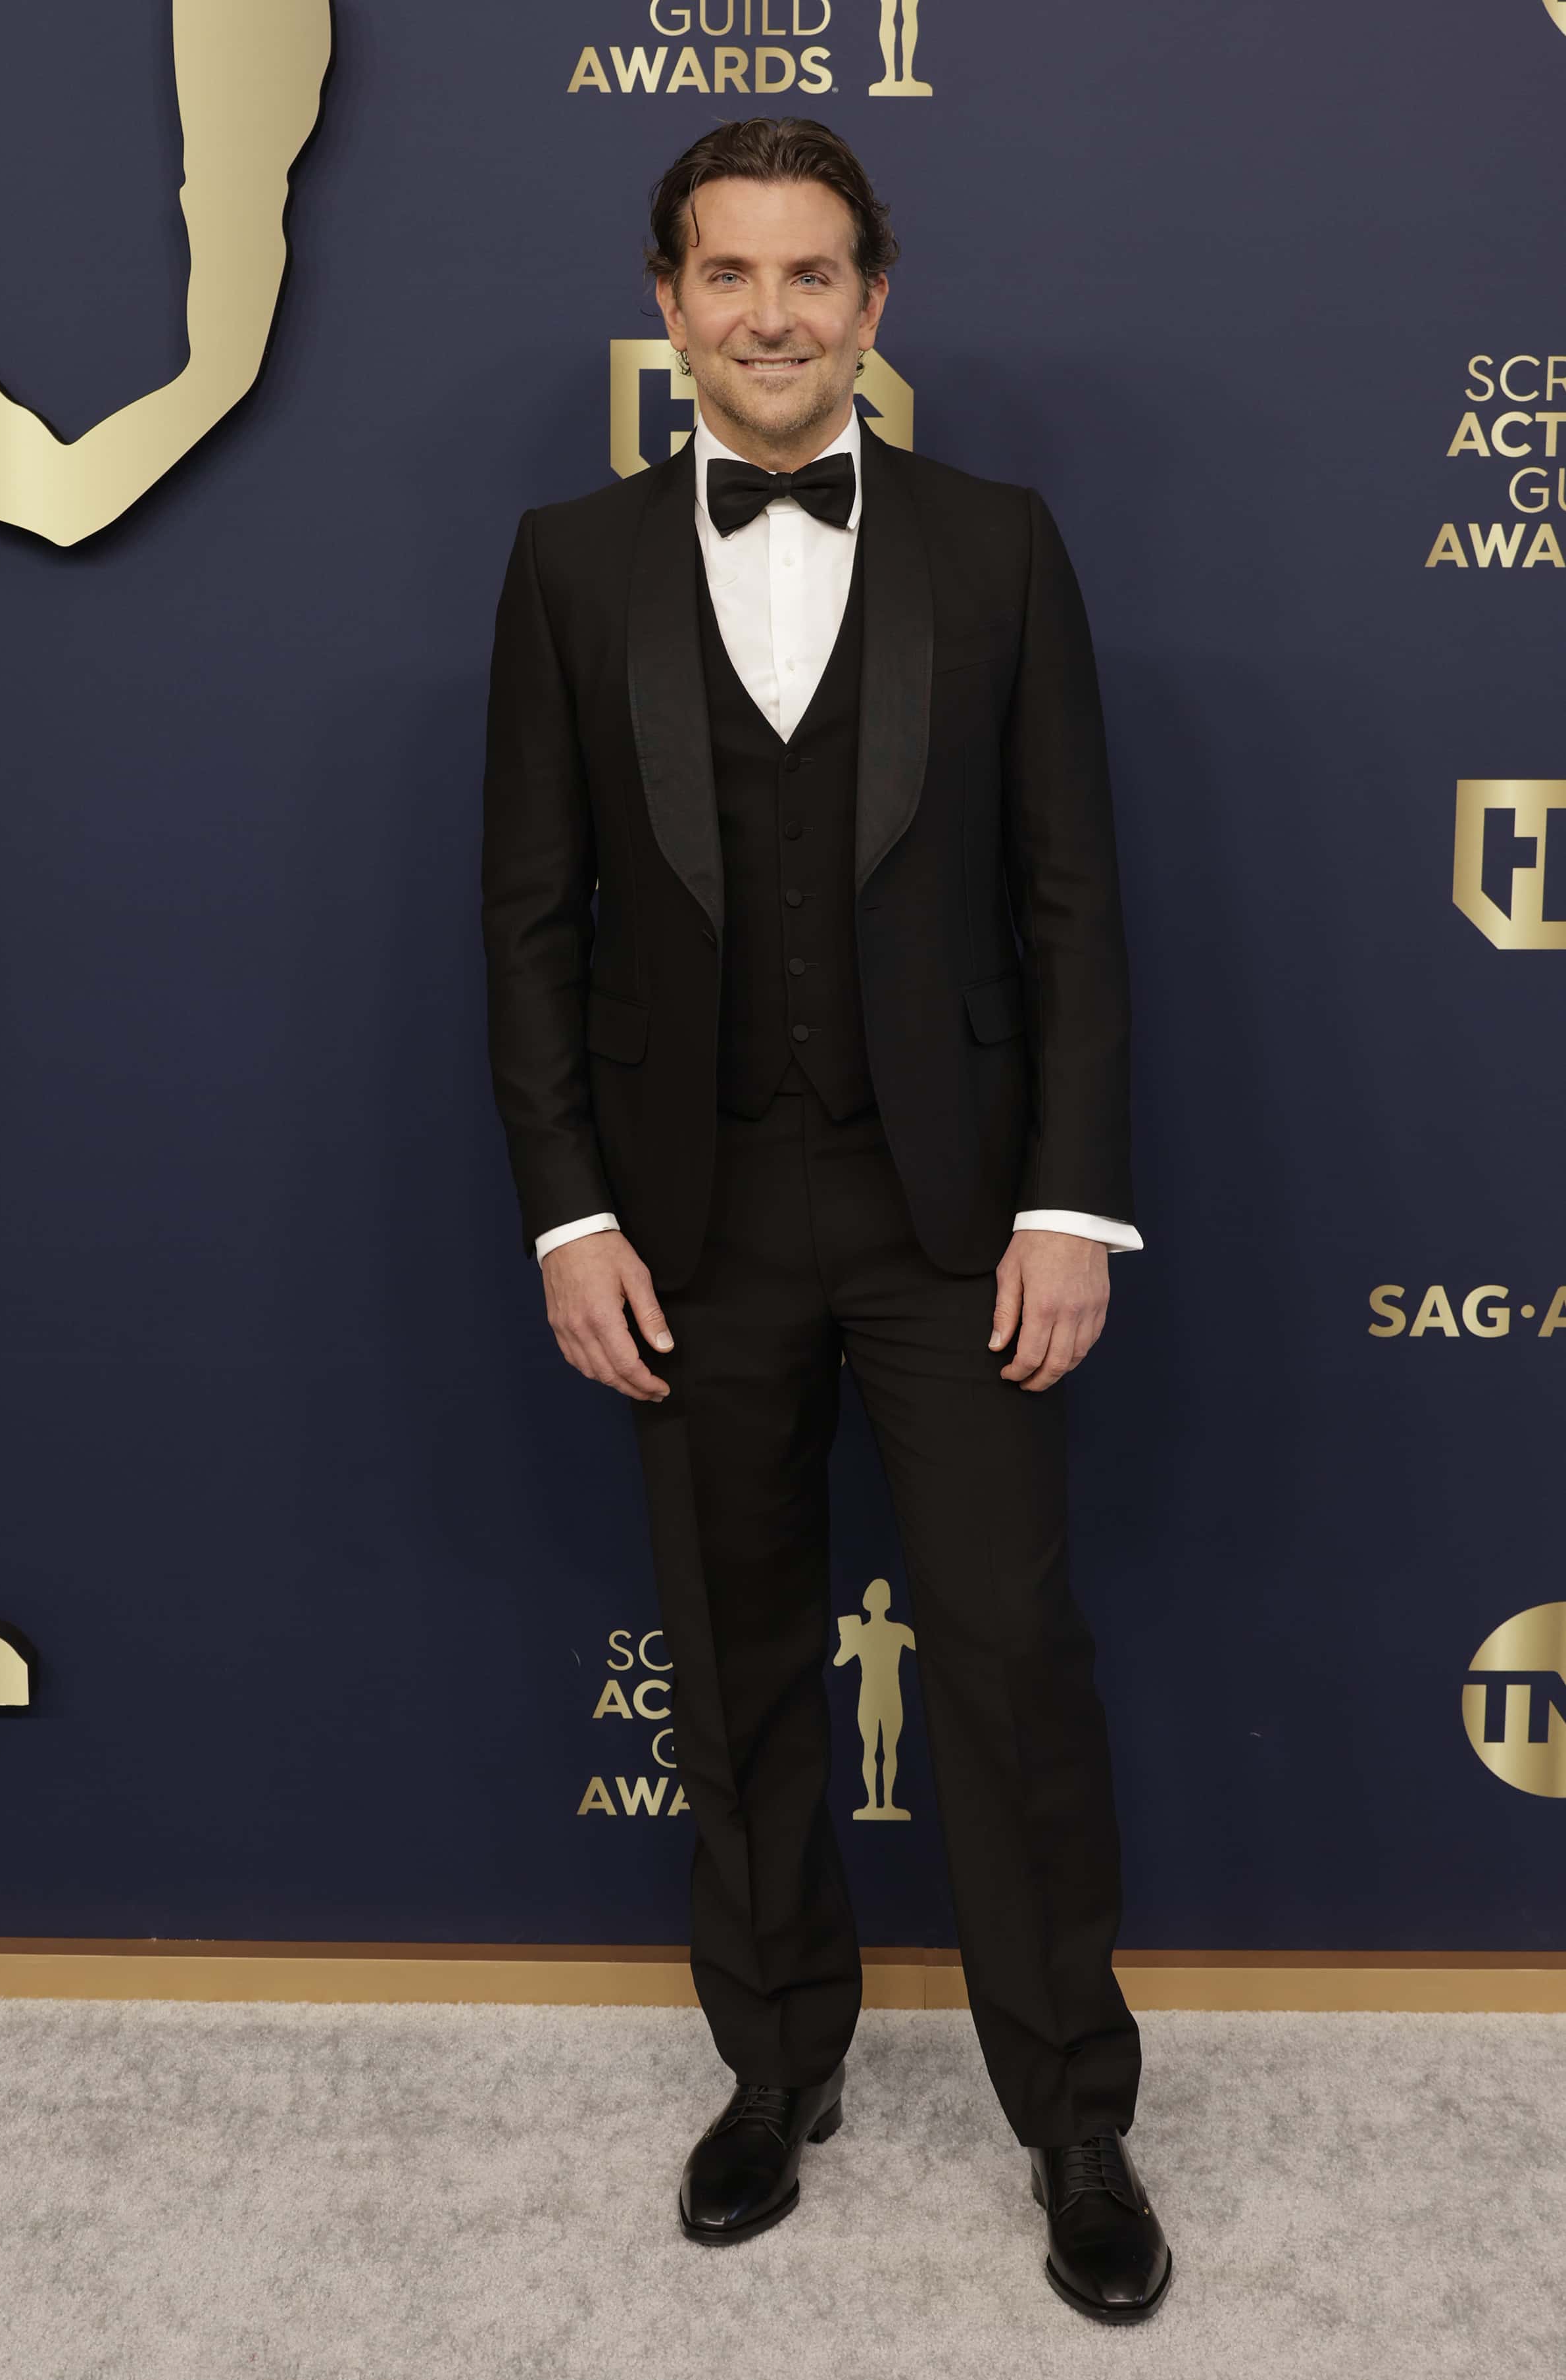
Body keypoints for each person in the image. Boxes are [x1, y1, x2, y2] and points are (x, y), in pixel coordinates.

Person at [481, 116, 1171, 2325]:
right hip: (684, 1219)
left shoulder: (997, 545)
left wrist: (1067, 1201)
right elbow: (526, 925)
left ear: (874, 301)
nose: (768, 314)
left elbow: (1069, 899)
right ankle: (775, 2063)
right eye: (727, 273)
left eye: (809, 274)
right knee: (735, 1653)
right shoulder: (566, 567)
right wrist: (569, 1219)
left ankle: (1073, 2111)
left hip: (953, 1212)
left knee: (1007, 1659)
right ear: (667, 304)